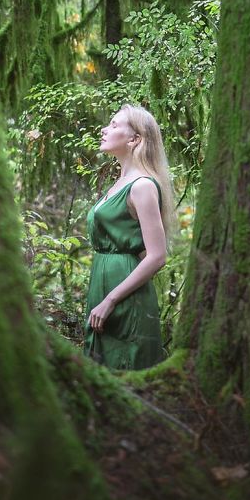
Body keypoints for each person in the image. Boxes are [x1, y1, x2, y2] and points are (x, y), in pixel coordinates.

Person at [84, 104, 175, 370]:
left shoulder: (143, 186)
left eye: (114, 125)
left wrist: (111, 299)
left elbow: (157, 256)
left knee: (126, 369)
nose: (104, 129)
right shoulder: (118, 184)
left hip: (124, 295)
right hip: (103, 285)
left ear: (134, 139)